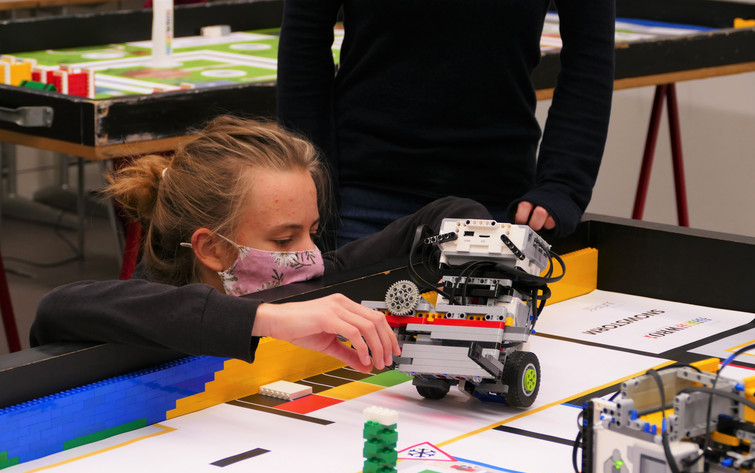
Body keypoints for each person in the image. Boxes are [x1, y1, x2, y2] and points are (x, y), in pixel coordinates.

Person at [30, 115, 493, 372]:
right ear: (211, 249)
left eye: (312, 229)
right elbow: (58, 308)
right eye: (284, 237)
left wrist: (489, 259)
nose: (311, 254)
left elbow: (445, 217)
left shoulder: (308, 278)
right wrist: (265, 318)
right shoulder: (152, 303)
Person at [276, 0, 615, 245]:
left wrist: (564, 184)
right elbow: (304, 37)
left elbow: (589, 53)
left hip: (495, 202)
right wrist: (314, 181)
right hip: (357, 199)